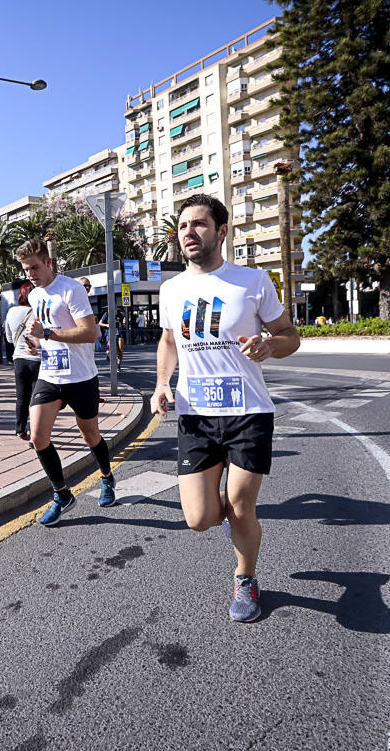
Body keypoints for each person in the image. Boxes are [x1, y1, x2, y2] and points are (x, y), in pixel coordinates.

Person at [151, 194, 300, 623]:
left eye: (199, 224)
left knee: (240, 504)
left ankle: (245, 578)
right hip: (196, 414)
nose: (189, 233)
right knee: (199, 519)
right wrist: (162, 384)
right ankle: (219, 497)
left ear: (221, 231)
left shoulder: (253, 282)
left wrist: (270, 344)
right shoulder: (172, 288)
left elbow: (290, 334)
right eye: (183, 226)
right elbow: (168, 341)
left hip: (248, 411)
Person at [17, 239, 116, 526]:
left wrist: (48, 334)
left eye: (34, 267)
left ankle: (107, 478)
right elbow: (43, 331)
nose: (31, 274)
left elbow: (89, 334)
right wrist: (36, 342)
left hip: (81, 377)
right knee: (37, 437)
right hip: (50, 375)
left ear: (48, 262)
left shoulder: (71, 289)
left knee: (90, 435)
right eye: (26, 270)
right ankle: (62, 495)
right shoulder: (35, 295)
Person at [4, 282, 38, 441]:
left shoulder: (11, 311)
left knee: (21, 396)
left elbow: (9, 338)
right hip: (39, 359)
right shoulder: (39, 311)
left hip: (19, 359)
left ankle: (20, 428)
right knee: (36, 398)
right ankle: (34, 433)